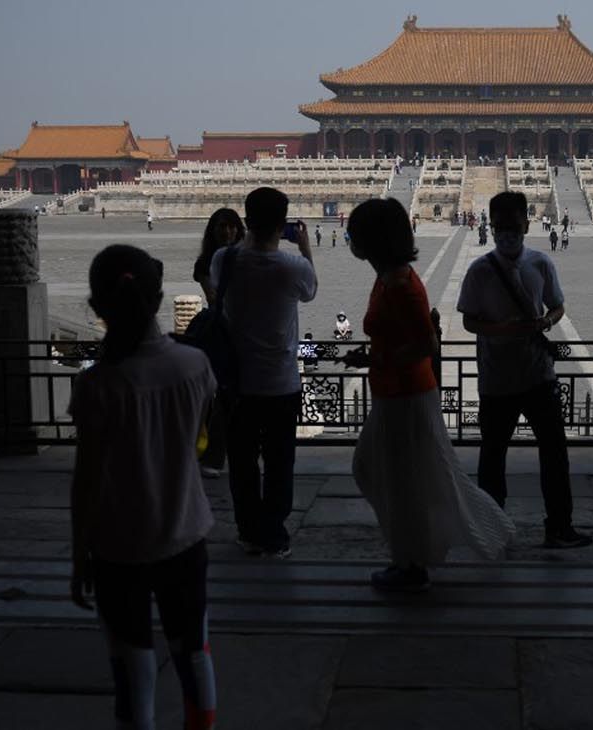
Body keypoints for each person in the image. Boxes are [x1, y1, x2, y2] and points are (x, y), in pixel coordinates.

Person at [69, 244, 217, 730]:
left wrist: (78, 554)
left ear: (97, 308)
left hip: (119, 544)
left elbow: (87, 480)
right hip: (186, 531)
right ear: (157, 301)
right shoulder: (195, 366)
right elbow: (198, 442)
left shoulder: (96, 386)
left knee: (131, 662)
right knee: (193, 650)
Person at [342, 198, 515, 591]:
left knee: (398, 478)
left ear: (373, 239)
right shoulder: (387, 277)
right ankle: (419, 549)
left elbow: (426, 344)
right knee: (391, 472)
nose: (350, 239)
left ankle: (412, 564)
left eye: (356, 232)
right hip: (394, 391)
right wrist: (371, 357)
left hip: (405, 395)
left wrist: (378, 359)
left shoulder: (401, 285)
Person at [457, 191, 592, 549]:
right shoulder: (480, 270)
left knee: (555, 454)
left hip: (538, 374)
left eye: (513, 226)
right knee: (492, 457)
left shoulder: (541, 263)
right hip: (496, 376)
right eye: (500, 227)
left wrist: (545, 320)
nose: (506, 234)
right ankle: (492, 527)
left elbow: (558, 306)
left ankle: (560, 526)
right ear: (492, 225)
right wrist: (502, 330)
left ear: (526, 224)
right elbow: (469, 320)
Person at [211, 187, 317, 558]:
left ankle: (248, 530)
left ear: (246, 219)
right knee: (279, 462)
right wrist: (304, 247)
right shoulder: (294, 267)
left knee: (241, 462)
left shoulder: (224, 260)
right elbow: (310, 292)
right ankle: (273, 532)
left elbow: (216, 293)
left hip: (236, 381)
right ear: (282, 224)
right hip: (280, 381)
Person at [192, 208, 246, 479]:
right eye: (222, 227)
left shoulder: (249, 258)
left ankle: (223, 453)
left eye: (232, 227)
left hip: (244, 332)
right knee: (220, 397)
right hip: (221, 335)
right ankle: (210, 454)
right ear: (213, 231)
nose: (227, 232)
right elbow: (213, 298)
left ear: (239, 229)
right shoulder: (206, 263)